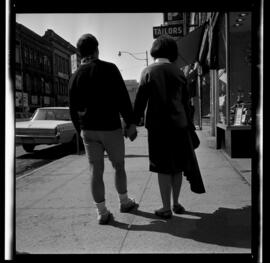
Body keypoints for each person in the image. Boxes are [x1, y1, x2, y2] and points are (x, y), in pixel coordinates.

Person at [68, 34, 138, 225]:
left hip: (88, 131)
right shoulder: (110, 69)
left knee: (95, 171)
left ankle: (102, 212)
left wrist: (80, 130)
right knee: (119, 166)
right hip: (110, 128)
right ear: (97, 49)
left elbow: (73, 110)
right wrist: (131, 123)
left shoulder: (74, 77)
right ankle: (124, 202)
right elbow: (123, 98)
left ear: (79, 53)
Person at [134, 35, 205, 219]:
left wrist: (132, 123)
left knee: (162, 168)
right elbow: (186, 103)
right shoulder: (179, 72)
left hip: (158, 128)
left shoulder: (148, 71)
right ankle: (176, 203)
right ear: (173, 52)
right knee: (178, 166)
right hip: (179, 126)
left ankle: (165, 207)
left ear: (154, 51)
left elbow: (140, 102)